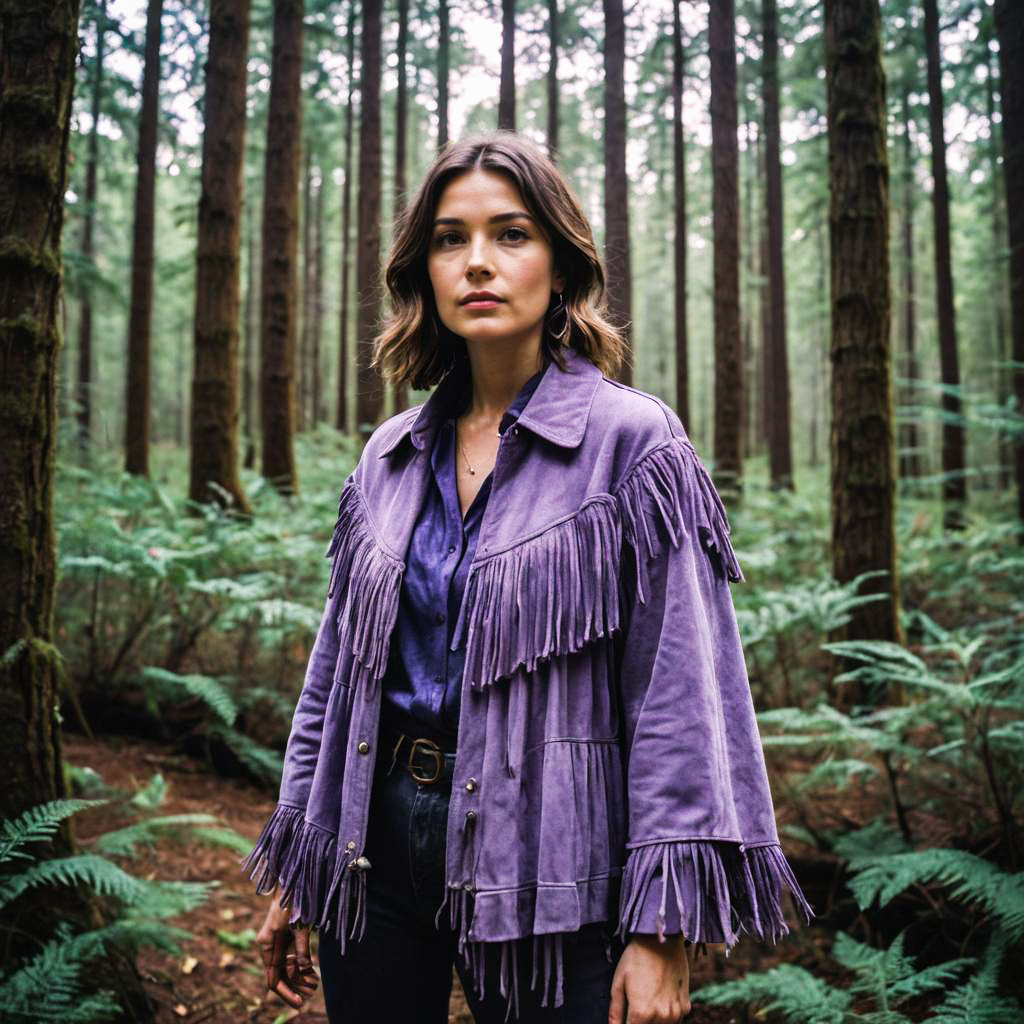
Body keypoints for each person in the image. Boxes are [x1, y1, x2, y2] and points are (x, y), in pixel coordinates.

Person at [246, 130, 814, 1024]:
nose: (478, 262)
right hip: (375, 858)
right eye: (449, 238)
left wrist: (662, 930)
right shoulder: (388, 458)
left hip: (556, 872)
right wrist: (301, 863)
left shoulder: (633, 445)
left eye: (511, 234)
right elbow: (336, 680)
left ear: (560, 260)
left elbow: (680, 697)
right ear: (422, 270)